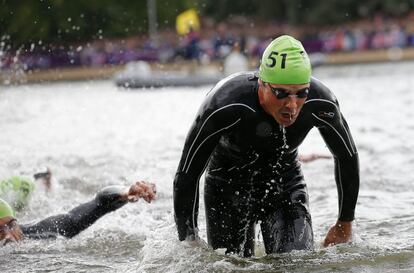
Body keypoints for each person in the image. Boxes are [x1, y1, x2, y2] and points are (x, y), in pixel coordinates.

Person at [173, 35, 359, 257]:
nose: (292, 105)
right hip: (227, 188)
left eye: (301, 93)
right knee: (230, 265)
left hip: (284, 185)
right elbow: (187, 174)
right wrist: (189, 240)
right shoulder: (226, 103)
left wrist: (344, 222)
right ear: (262, 84)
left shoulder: (321, 103)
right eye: (281, 93)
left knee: (295, 264)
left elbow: (347, 156)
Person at [0, 181, 156, 244]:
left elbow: (98, 203)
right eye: (0, 230)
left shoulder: (38, 233)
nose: (8, 234)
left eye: (11, 224)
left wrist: (125, 191)